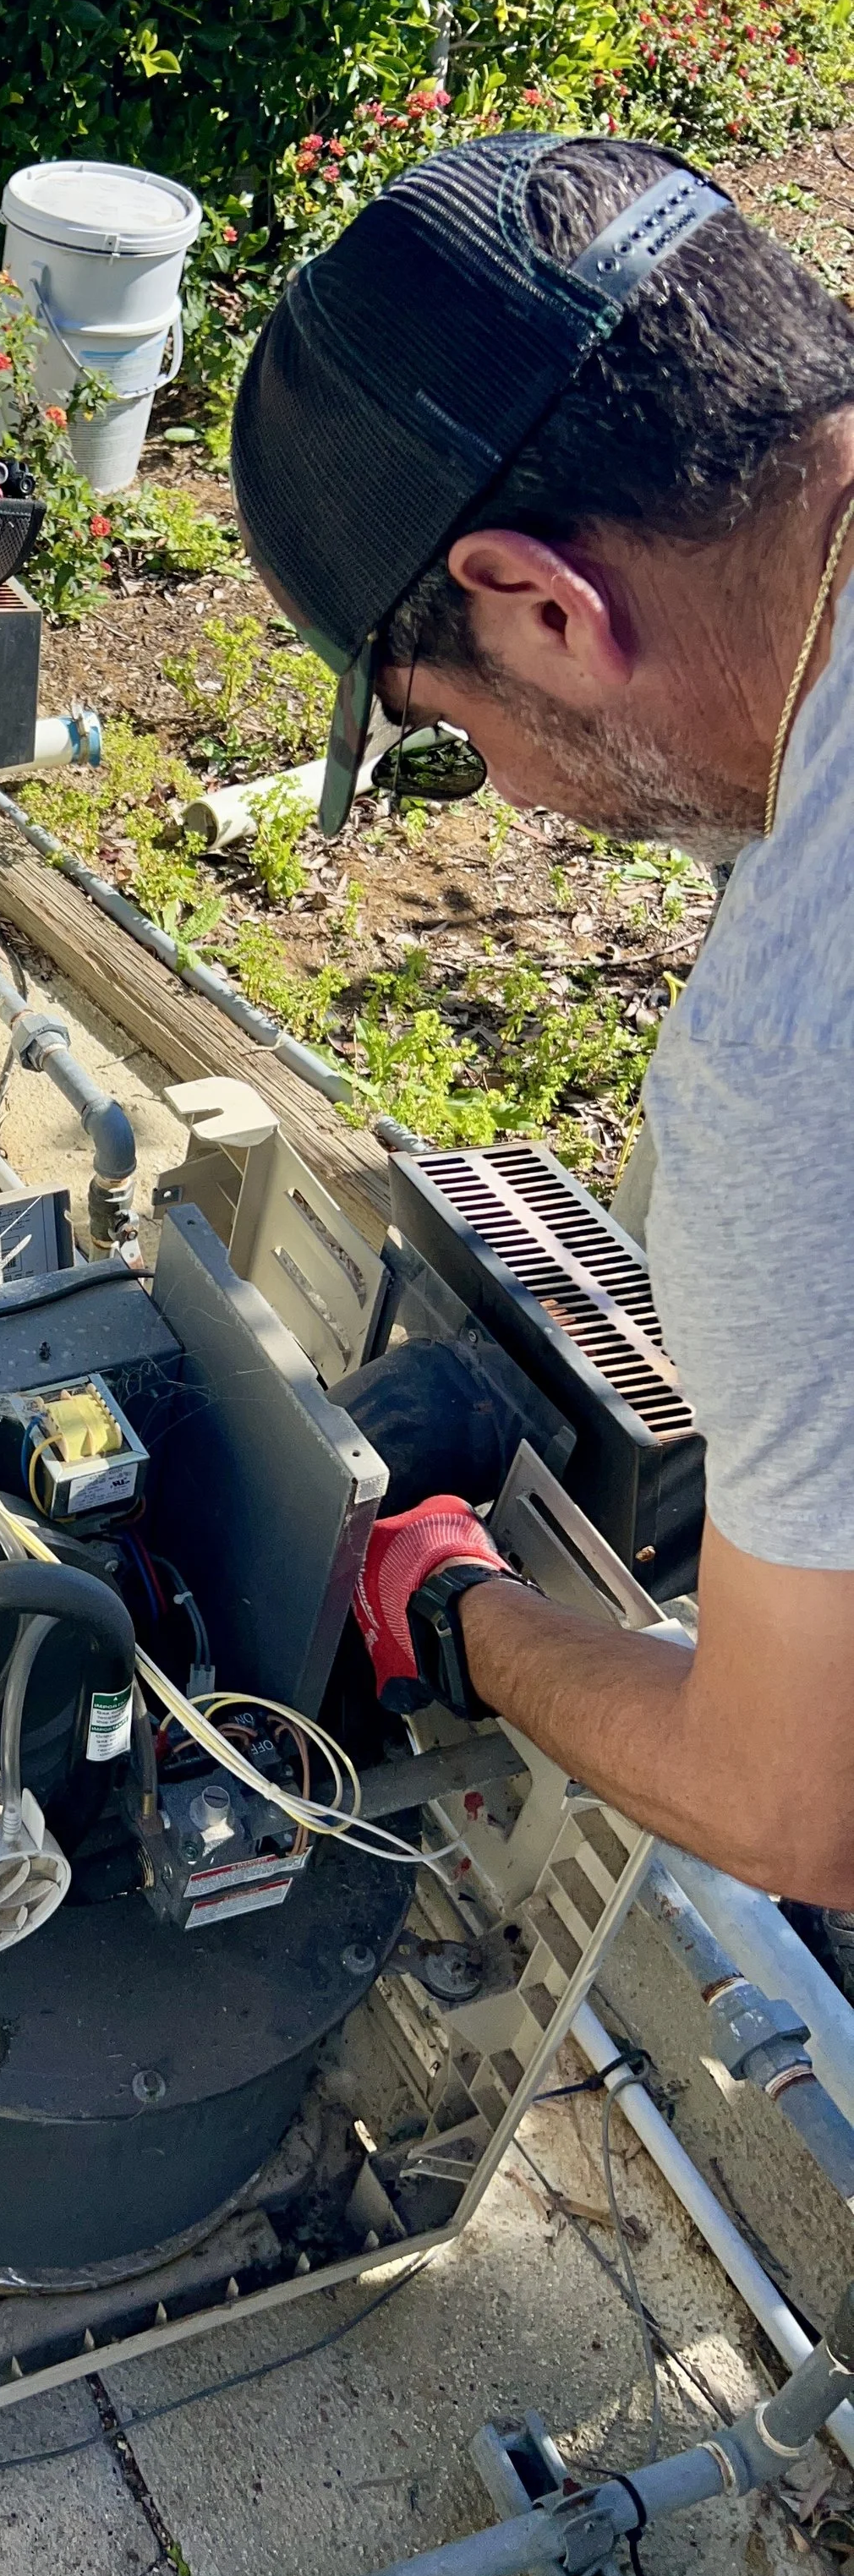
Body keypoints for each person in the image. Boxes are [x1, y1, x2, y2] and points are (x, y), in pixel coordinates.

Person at [228, 134, 854, 1906]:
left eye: (448, 728)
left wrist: (445, 1601)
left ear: (539, 604)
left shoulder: (793, 1062)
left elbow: (794, 1799)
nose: (504, 796)